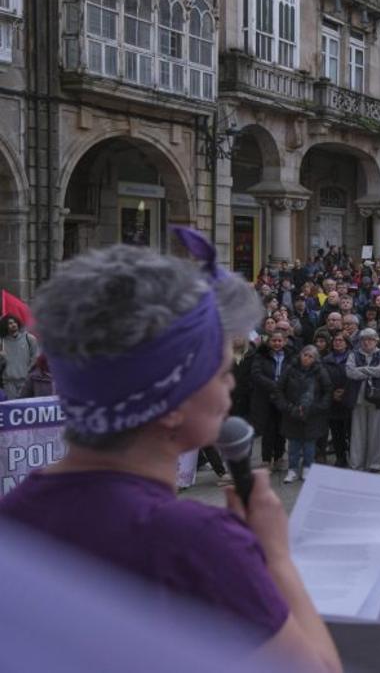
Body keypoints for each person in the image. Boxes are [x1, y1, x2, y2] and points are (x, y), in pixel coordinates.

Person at [0, 235, 341, 672]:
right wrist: (274, 555)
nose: (231, 386)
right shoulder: (196, 541)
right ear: (173, 405)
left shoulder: (13, 518)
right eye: (219, 374)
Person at [273, 345, 332, 484]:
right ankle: (292, 470)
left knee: (309, 445)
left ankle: (307, 469)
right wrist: (287, 407)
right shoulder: (290, 368)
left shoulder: (320, 371)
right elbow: (279, 389)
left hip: (312, 414)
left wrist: (318, 407)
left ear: (315, 359)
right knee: (293, 444)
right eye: (305, 355)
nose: (307, 358)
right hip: (291, 412)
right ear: (300, 355)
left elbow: (328, 391)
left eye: (311, 356)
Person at [344, 328, 380, 472]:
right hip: (358, 399)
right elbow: (350, 373)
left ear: (376, 340)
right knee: (357, 434)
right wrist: (371, 370)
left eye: (371, 339)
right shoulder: (354, 354)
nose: (367, 342)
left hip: (378, 399)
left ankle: (375, 464)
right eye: (364, 339)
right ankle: (356, 463)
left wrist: (363, 370)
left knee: (378, 433)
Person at [249, 330, 293, 470]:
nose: (277, 343)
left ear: (284, 341)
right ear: (269, 342)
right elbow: (256, 374)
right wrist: (274, 385)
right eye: (274, 340)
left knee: (282, 428)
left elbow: (294, 374)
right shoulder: (261, 356)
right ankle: (266, 459)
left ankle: (279, 457)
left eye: (280, 341)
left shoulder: (291, 355)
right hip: (266, 397)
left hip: (283, 397)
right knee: (268, 429)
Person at [0, 314, 39, 398]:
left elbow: (35, 358)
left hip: (26, 382)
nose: (13, 324)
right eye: (10, 323)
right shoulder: (2, 342)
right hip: (9, 383)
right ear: (5, 326)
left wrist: (27, 373)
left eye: (14, 322)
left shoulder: (29, 338)